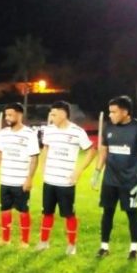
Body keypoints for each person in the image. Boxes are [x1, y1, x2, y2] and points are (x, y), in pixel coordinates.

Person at [92, 95, 137, 260]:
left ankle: (134, 249)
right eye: (109, 112)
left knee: (132, 214)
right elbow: (103, 150)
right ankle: (104, 246)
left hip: (131, 182)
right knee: (107, 212)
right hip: (110, 180)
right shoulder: (109, 127)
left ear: (125, 112)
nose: (110, 115)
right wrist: (97, 172)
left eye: (114, 112)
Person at [37, 101, 96, 254]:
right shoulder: (49, 130)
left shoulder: (77, 132)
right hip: (49, 180)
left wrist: (78, 171)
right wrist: (42, 168)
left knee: (68, 214)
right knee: (47, 212)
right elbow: (45, 149)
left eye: (54, 114)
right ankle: (44, 242)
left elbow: (91, 151)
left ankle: (71, 245)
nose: (51, 117)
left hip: (66, 182)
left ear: (64, 114)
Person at [0, 102, 40, 247]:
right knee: (5, 210)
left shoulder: (29, 134)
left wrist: (29, 179)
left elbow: (34, 159)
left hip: (21, 181)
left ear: (19, 115)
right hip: (6, 180)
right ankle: (5, 239)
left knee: (23, 210)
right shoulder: (3, 133)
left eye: (10, 115)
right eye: (6, 115)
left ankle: (24, 241)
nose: (7, 117)